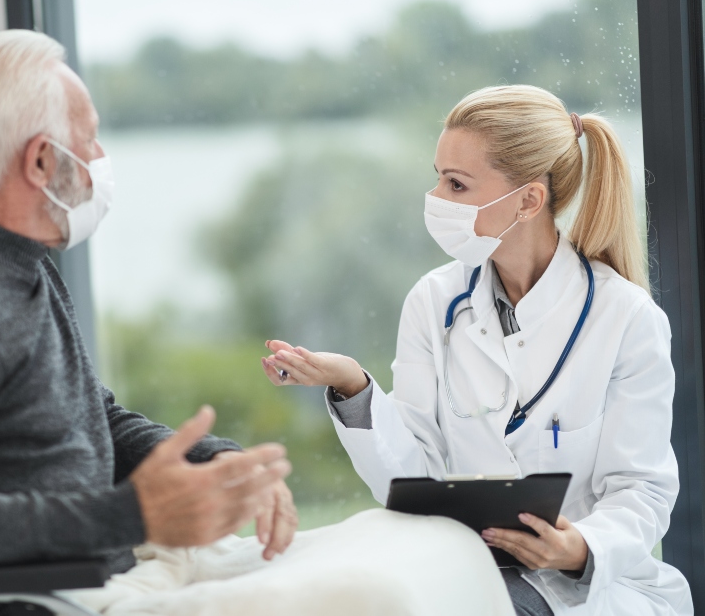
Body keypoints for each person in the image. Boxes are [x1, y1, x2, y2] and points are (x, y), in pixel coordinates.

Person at [0, 30, 297, 615]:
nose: (101, 160)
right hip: (44, 600)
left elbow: (92, 420)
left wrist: (216, 464)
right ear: (41, 161)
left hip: (90, 580)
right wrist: (132, 513)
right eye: (90, 139)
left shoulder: (18, 263)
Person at [261, 85, 692, 616]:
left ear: (529, 200)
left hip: (584, 588)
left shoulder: (626, 318)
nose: (436, 198)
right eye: (437, 176)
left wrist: (579, 547)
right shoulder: (433, 302)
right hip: (459, 564)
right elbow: (409, 480)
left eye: (456, 183)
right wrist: (352, 386)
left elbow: (641, 490)